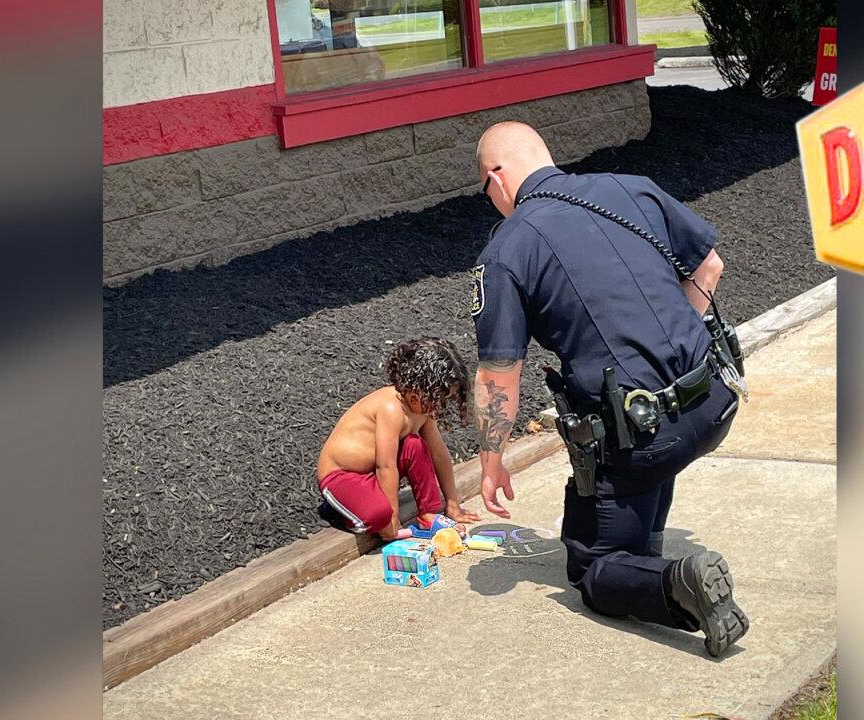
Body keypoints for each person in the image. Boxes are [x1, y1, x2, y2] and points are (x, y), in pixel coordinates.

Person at [470, 122, 749, 657]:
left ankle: (676, 583)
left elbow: (498, 372)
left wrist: (491, 460)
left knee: (590, 566)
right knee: (647, 455)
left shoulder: (506, 251)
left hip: (643, 440)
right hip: (713, 400)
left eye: (486, 193)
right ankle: (646, 549)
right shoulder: (630, 187)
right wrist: (671, 356)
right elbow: (710, 264)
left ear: (496, 180)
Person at [317, 337, 481, 541]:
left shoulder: (423, 409)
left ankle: (429, 514)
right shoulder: (391, 407)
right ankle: (336, 510)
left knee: (416, 445)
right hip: (342, 477)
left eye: (442, 400)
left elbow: (439, 454)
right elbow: (385, 465)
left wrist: (452, 504)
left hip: (373, 474)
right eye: (434, 397)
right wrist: (393, 517)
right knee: (379, 517)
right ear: (414, 387)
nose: (437, 405)